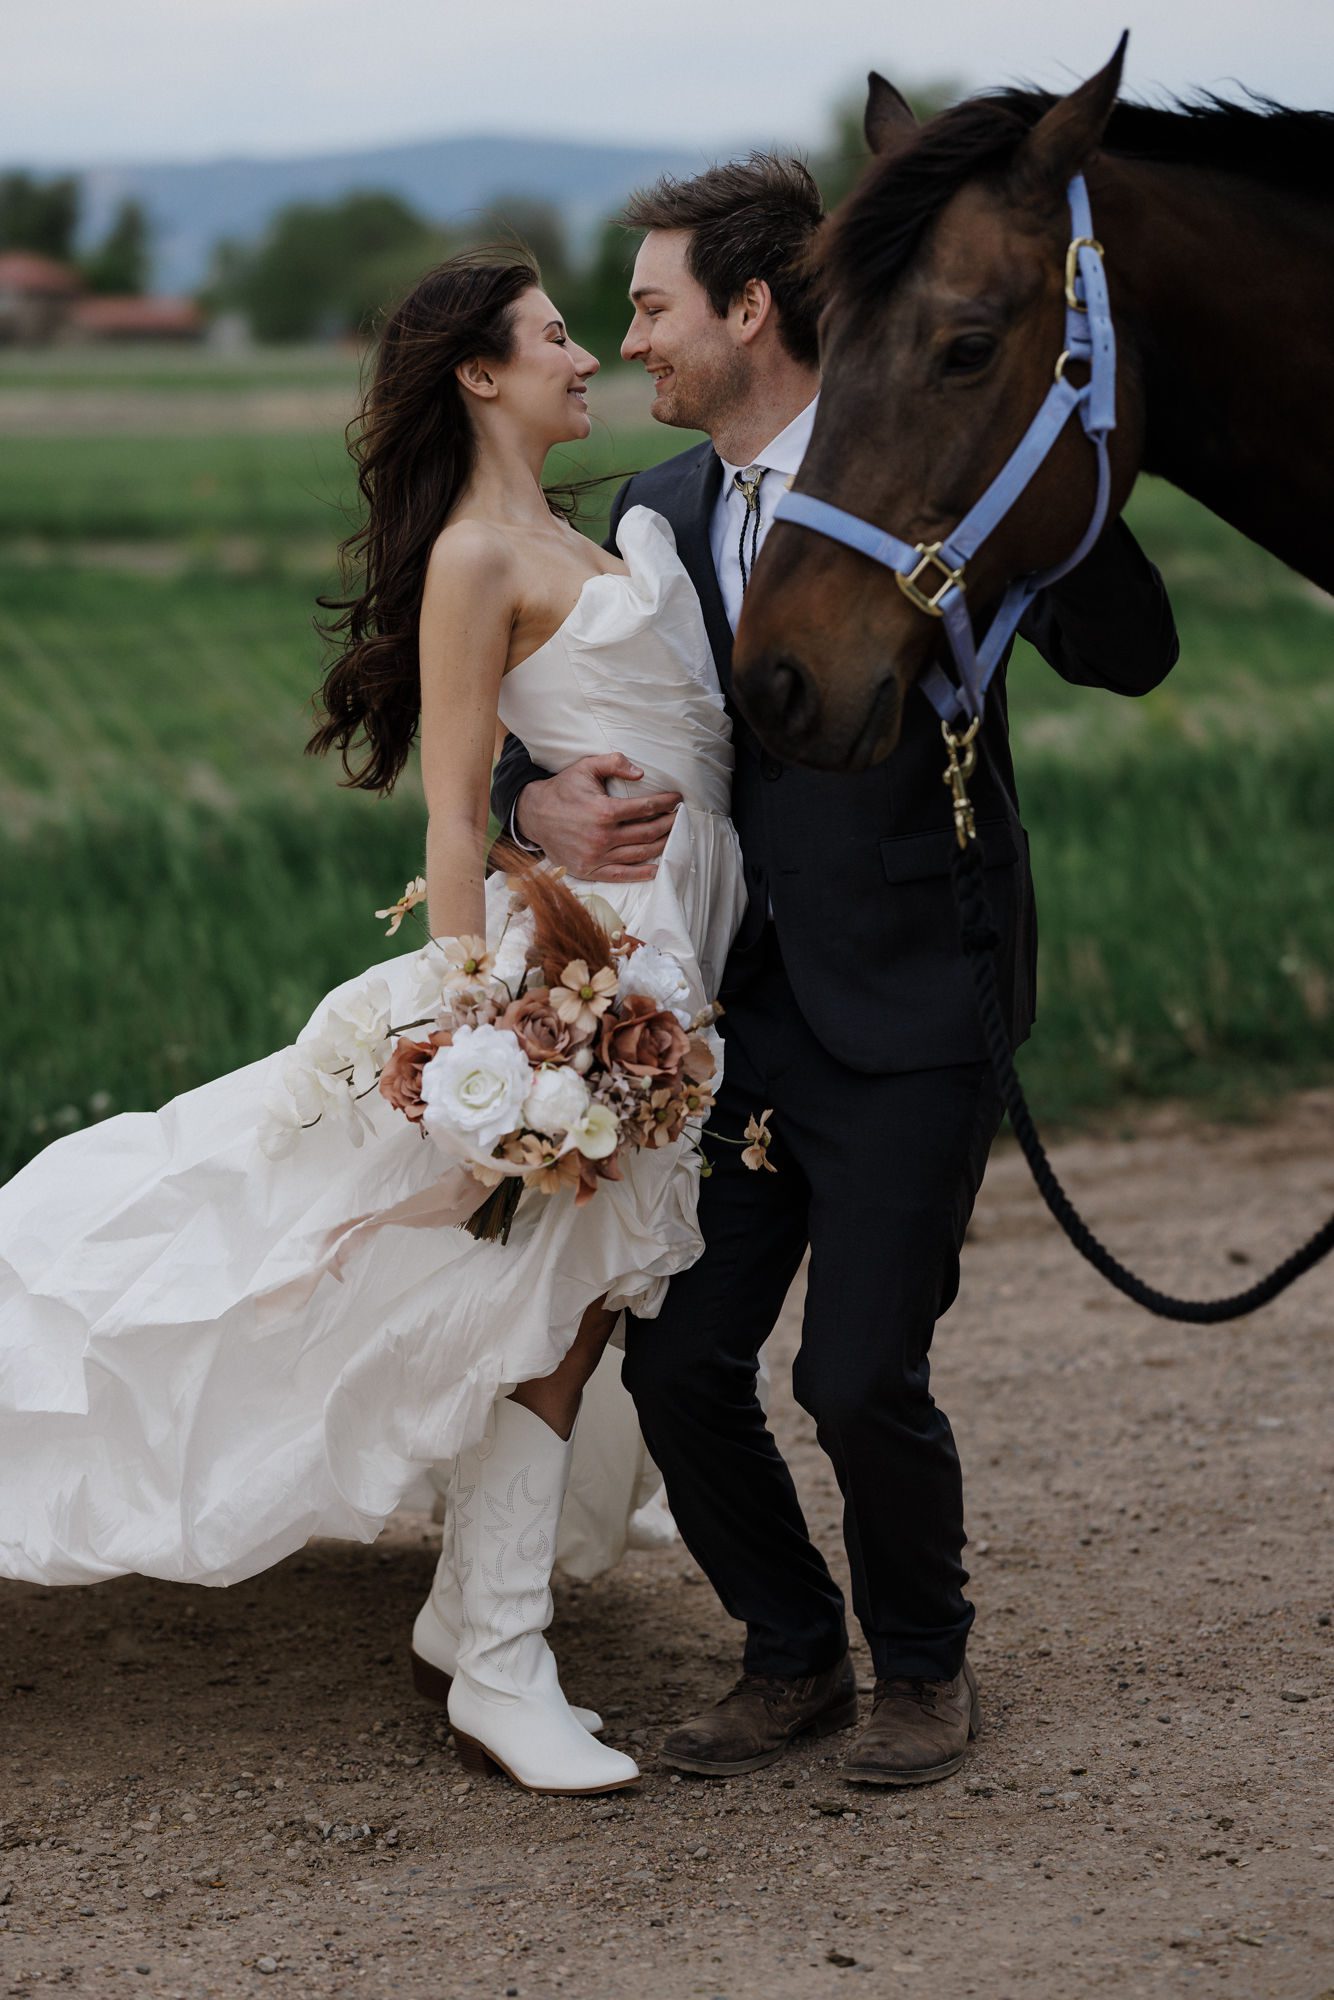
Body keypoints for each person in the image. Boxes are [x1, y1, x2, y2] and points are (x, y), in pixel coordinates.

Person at [0, 249, 746, 1798]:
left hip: (671, 949)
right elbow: (454, 817)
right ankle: (494, 1658)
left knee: (580, 1306)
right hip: (571, 972)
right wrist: (494, 1051)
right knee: (522, 1309)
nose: (586, 357)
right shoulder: (478, 556)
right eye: (554, 338)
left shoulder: (587, 528)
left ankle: (484, 1624)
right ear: (481, 373)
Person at [493, 155, 1180, 1786]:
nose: (633, 341)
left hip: (912, 994)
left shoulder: (924, 471)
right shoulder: (651, 513)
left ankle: (925, 1673)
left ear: (752, 309)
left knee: (859, 1372)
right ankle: (791, 1653)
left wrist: (1046, 508)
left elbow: (1136, 653)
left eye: (654, 306)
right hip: (717, 1016)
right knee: (676, 1361)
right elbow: (568, 732)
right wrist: (535, 804)